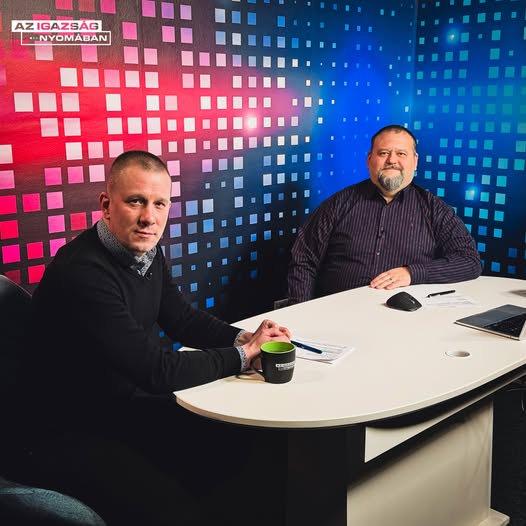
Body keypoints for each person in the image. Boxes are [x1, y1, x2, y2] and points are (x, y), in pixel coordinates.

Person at [20, 151, 291, 526]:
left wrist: (247, 337)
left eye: (159, 203)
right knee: (175, 510)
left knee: (237, 445)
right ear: (106, 205)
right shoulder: (82, 273)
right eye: (135, 201)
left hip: (121, 408)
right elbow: (156, 371)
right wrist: (245, 355)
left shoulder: (144, 250)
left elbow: (182, 319)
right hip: (69, 431)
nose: (149, 217)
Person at [287, 124, 482, 304]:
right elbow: (304, 260)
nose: (392, 160)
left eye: (401, 153)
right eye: (383, 153)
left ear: (415, 161)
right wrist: (299, 313)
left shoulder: (435, 210)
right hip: (337, 313)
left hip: (405, 320)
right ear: (369, 159)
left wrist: (412, 273)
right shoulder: (338, 205)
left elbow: (469, 261)